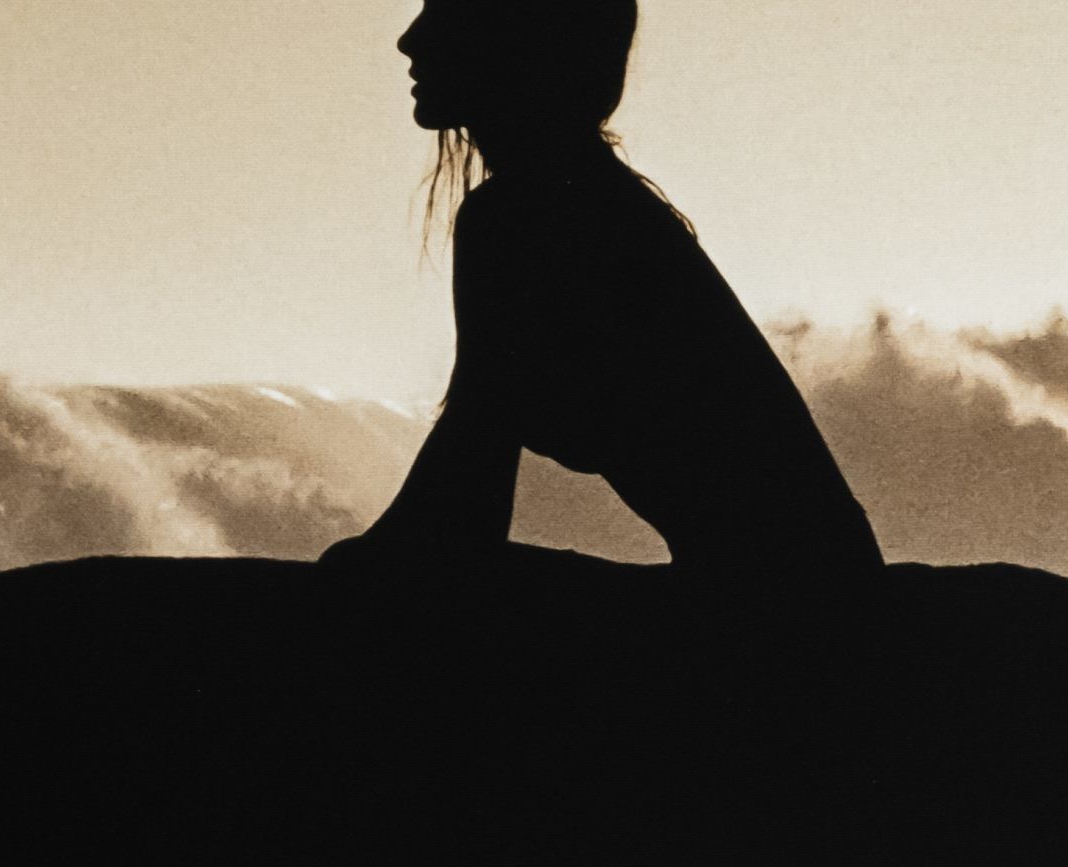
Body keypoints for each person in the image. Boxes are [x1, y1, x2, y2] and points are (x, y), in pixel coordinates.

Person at [332, 0, 882, 590]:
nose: (410, 40)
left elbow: (463, 497)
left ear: (512, 42)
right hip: (803, 585)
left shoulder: (528, 215)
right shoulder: (591, 202)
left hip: (786, 603)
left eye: (445, 14)